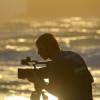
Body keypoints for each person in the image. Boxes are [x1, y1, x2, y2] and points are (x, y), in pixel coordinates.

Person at [35, 33, 94, 100]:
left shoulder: (57, 63)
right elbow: (70, 75)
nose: (38, 52)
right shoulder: (73, 55)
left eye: (40, 48)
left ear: (49, 47)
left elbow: (57, 91)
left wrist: (40, 83)